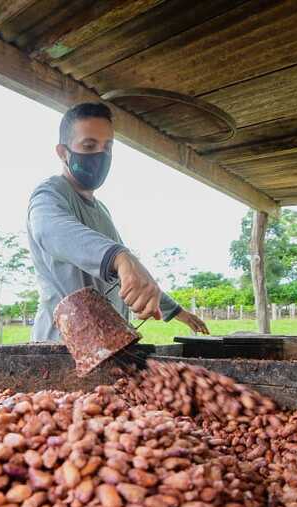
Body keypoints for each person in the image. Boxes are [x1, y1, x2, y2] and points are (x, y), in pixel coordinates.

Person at [26, 101, 209, 342]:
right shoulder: (49, 195)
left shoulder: (101, 212)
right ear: (63, 152)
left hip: (106, 344)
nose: (100, 156)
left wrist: (176, 311)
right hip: (62, 347)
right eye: (89, 145)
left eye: (107, 147)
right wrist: (120, 257)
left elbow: (130, 275)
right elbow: (52, 230)